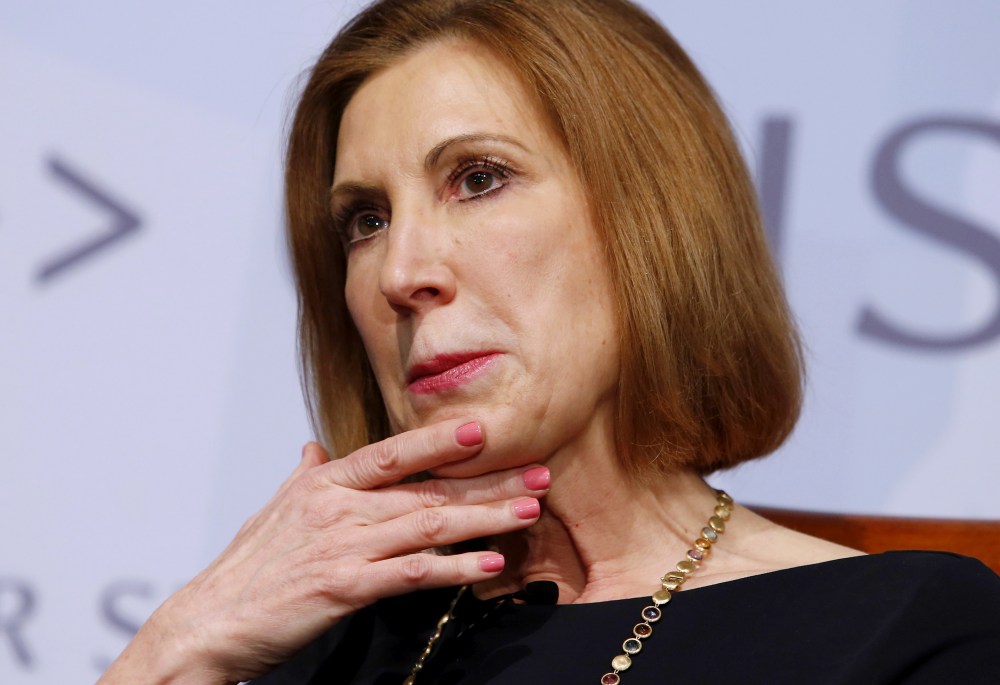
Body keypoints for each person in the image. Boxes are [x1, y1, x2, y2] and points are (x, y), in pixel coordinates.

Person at [98, 0, 1000, 683]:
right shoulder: (315, 641)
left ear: (649, 221)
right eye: (365, 219)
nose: (400, 271)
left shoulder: (906, 634)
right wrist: (176, 651)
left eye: (478, 178)